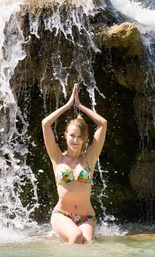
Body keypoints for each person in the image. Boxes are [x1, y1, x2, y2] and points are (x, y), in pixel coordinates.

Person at [41, 83, 107, 244]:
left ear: (85, 139)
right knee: (76, 237)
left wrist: (80, 106)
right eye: (72, 135)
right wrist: (68, 105)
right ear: (65, 136)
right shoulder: (57, 157)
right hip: (62, 215)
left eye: (79, 137)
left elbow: (103, 124)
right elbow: (45, 124)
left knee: (86, 244)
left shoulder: (90, 158)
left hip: (87, 217)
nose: (75, 140)